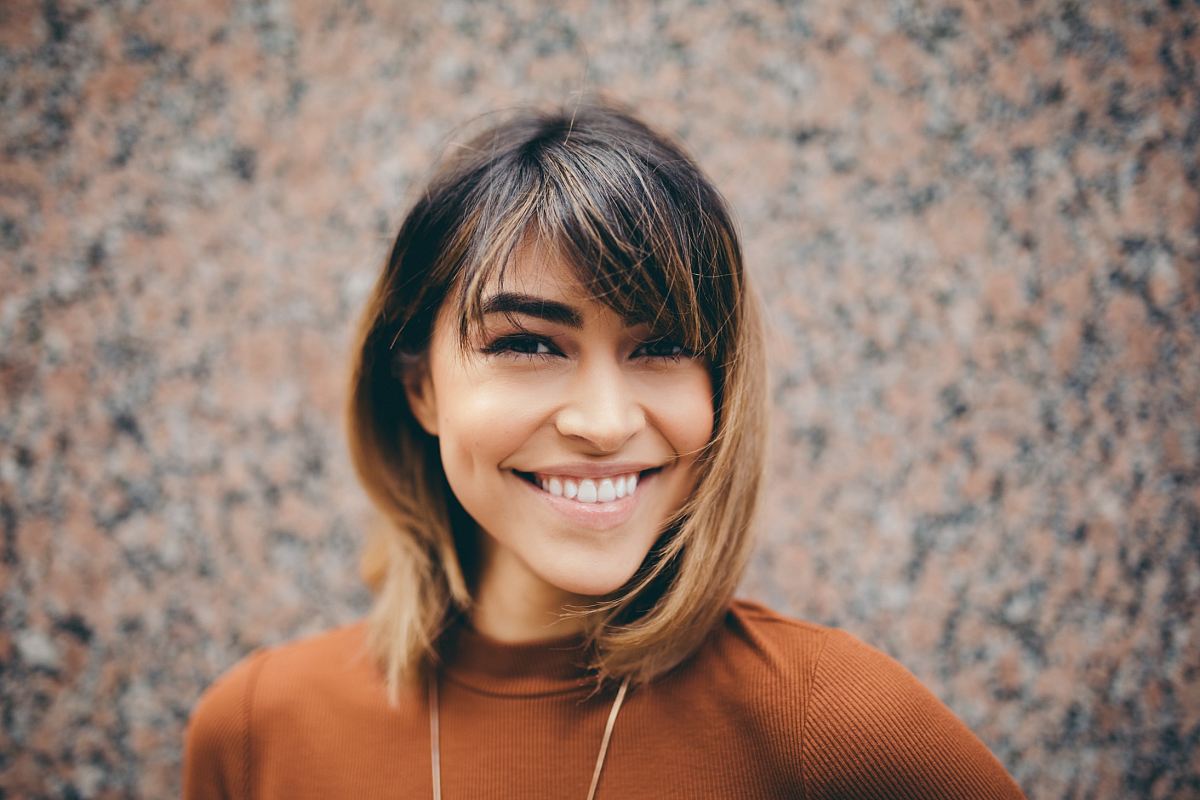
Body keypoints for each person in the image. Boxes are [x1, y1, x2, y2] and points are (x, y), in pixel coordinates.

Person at [182, 98, 1027, 799]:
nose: (604, 421)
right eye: (527, 343)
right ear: (422, 388)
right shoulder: (257, 731)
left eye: (661, 345)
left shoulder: (833, 723)